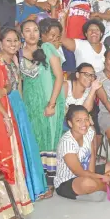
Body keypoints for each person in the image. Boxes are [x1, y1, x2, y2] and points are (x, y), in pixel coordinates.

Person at [0, 16, 33, 219]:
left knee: (11, 154)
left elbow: (9, 85)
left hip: (3, 107)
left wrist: (4, 90)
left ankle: (13, 205)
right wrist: (4, 116)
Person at [0, 27, 47, 201]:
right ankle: (13, 194)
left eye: (15, 41)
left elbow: (18, 85)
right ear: (0, 43)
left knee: (25, 145)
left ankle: (28, 189)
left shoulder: (14, 60)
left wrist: (23, 107)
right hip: (6, 106)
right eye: (8, 41)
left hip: (18, 105)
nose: (13, 44)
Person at [20, 19, 65, 197]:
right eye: (27, 30)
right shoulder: (17, 53)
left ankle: (50, 185)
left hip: (50, 102)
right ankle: (37, 183)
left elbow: (59, 77)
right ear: (21, 33)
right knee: (35, 141)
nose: (32, 34)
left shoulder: (47, 48)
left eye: (35, 30)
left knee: (49, 141)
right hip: (31, 105)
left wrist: (52, 104)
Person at [54, 105, 110, 201]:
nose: (84, 124)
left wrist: (94, 175)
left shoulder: (89, 132)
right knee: (88, 183)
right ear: (70, 123)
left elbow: (92, 156)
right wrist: (102, 177)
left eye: (86, 119)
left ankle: (101, 186)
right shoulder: (67, 143)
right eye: (78, 121)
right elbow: (79, 172)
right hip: (69, 181)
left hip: (87, 172)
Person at [63, 63, 102, 143]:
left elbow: (86, 110)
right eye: (86, 74)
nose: (90, 78)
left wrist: (93, 89)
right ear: (77, 75)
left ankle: (91, 155)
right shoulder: (66, 85)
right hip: (63, 120)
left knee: (92, 131)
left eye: (92, 75)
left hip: (79, 121)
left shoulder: (91, 91)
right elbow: (59, 109)